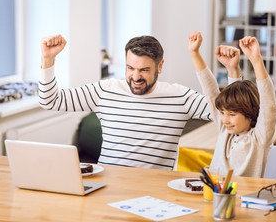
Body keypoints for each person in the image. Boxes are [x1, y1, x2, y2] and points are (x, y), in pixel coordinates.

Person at [39, 34, 213, 170]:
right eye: (130, 68)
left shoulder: (179, 97)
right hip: (107, 184)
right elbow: (50, 101)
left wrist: (231, 70)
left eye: (144, 70)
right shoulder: (105, 89)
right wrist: (48, 59)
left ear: (160, 66)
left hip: (156, 188)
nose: (135, 77)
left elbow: (222, 110)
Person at [188, 31, 276, 177]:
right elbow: (210, 90)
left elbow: (268, 104)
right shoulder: (226, 130)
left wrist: (256, 60)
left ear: (250, 113)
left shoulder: (259, 138)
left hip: (243, 197)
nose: (224, 119)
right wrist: (195, 53)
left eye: (232, 114)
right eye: (223, 113)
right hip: (213, 193)